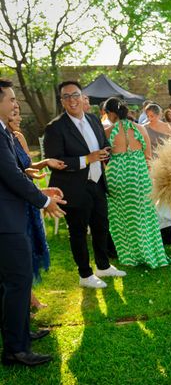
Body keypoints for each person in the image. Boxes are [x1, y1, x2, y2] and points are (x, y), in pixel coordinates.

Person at [0, 78, 66, 367]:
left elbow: (13, 174)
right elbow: (11, 177)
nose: (16, 103)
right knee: (17, 282)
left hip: (11, 217)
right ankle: (15, 348)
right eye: (11, 99)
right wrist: (44, 202)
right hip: (6, 222)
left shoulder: (4, 133)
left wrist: (41, 192)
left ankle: (20, 334)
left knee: (14, 282)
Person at [44, 81, 126, 289]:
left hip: (97, 183)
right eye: (66, 96)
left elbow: (102, 144)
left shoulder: (92, 119)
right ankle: (85, 274)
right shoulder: (55, 128)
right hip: (73, 187)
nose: (72, 100)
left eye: (75, 95)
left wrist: (106, 152)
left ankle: (103, 266)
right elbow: (55, 162)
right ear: (62, 101)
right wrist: (86, 159)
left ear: (82, 97)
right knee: (78, 231)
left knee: (101, 226)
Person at [8, 106, 67, 312]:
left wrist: (44, 189)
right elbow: (13, 176)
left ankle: (28, 300)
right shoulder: (3, 139)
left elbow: (26, 172)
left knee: (28, 253)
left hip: (27, 201)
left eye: (18, 113)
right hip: (12, 207)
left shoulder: (18, 138)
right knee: (17, 261)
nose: (18, 118)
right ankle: (25, 304)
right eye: (14, 114)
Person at [103, 97, 168, 269]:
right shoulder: (141, 129)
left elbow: (104, 158)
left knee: (121, 218)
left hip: (117, 175)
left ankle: (129, 254)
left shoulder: (108, 132)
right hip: (139, 175)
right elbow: (148, 156)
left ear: (110, 113)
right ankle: (148, 251)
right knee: (145, 215)